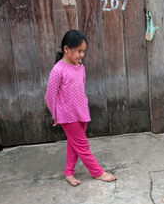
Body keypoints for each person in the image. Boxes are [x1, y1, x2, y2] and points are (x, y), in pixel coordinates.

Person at [45, 30, 117, 187]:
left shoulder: (80, 66)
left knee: (74, 144)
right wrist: (54, 114)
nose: (81, 54)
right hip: (66, 115)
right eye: (78, 51)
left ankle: (68, 173)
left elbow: (81, 87)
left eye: (83, 51)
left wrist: (83, 103)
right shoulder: (58, 70)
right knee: (83, 146)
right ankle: (97, 172)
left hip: (81, 111)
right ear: (66, 49)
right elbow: (50, 95)